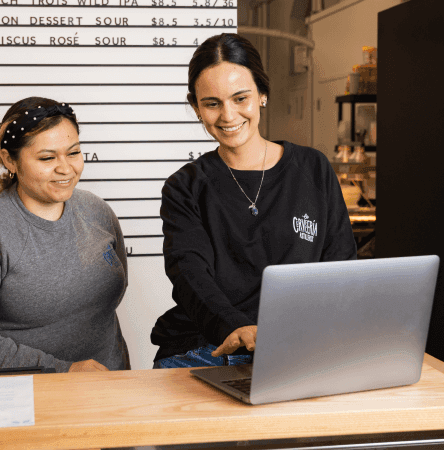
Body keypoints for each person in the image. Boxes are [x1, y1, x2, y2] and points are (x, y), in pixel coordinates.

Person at [151, 34, 357, 369]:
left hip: (297, 347)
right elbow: (190, 274)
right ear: (196, 108)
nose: (228, 115)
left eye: (240, 98)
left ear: (262, 95)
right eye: (212, 103)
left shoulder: (312, 168)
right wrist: (235, 327)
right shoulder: (184, 187)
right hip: (209, 348)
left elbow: (340, 264)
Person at [0, 97, 130, 375]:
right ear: (10, 160)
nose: (65, 168)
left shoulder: (97, 211)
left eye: (73, 153)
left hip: (110, 386)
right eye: (47, 158)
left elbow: (112, 295)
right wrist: (64, 370)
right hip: (29, 399)